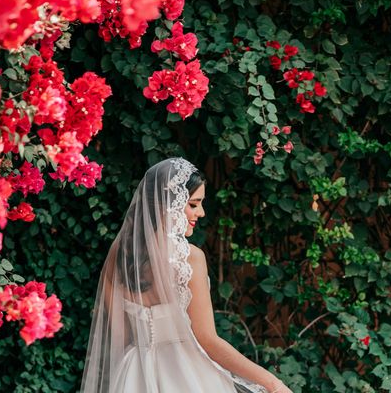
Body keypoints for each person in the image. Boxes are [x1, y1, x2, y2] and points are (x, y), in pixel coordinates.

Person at [80, 158, 292, 393]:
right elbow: (207, 340)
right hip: (185, 374)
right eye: (193, 204)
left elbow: (120, 339)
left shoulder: (118, 258)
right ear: (167, 204)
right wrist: (272, 383)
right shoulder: (190, 257)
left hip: (132, 374)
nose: (201, 212)